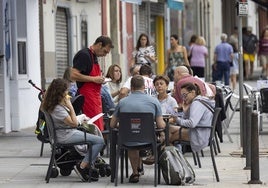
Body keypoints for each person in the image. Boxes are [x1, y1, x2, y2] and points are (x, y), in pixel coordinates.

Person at [41, 78, 105, 182]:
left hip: (64, 132)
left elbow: (70, 121)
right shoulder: (57, 108)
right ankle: (83, 166)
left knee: (94, 137)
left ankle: (87, 165)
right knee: (99, 141)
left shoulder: (51, 104)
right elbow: (74, 123)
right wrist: (70, 107)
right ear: (60, 92)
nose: (68, 93)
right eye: (66, 91)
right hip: (65, 135)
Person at [110, 75, 166, 183]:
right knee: (148, 136)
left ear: (131, 87)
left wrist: (122, 125)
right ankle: (149, 166)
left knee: (132, 140)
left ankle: (135, 172)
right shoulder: (154, 101)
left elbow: (112, 124)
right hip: (149, 140)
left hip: (127, 140)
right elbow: (161, 125)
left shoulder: (122, 102)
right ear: (144, 87)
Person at [71, 36, 114, 131]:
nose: (105, 55)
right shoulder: (84, 55)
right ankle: (93, 144)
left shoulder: (93, 56)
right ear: (99, 45)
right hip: (87, 97)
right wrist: (93, 79)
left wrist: (99, 79)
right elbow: (73, 75)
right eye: (105, 51)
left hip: (95, 96)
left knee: (98, 124)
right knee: (92, 125)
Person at [169, 82, 215, 152]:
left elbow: (192, 123)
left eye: (185, 95)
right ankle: (173, 155)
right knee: (169, 129)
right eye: (182, 96)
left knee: (169, 138)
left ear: (193, 92)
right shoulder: (200, 100)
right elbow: (187, 119)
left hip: (198, 135)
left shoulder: (196, 103)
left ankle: (173, 158)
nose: (183, 98)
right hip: (202, 132)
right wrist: (185, 110)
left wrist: (177, 120)